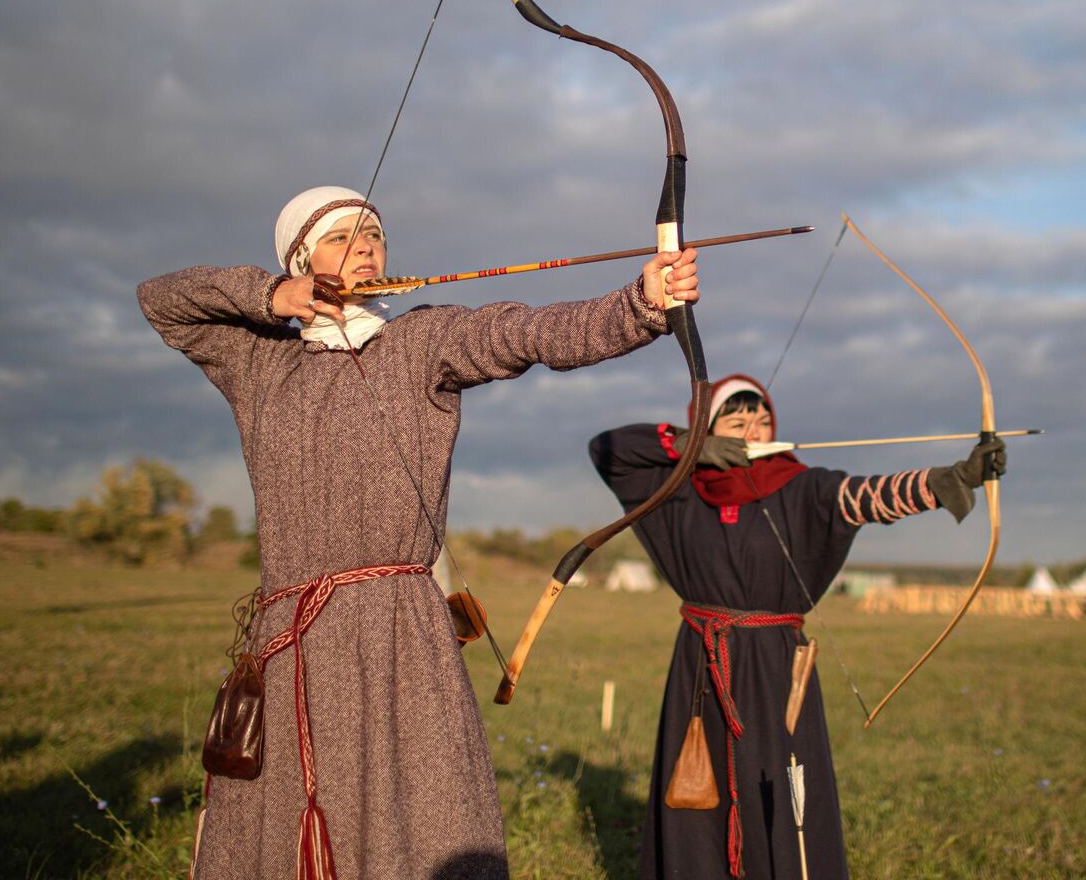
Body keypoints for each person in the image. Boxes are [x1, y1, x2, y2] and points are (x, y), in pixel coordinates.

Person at [139, 185, 700, 879]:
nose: (367, 245)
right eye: (343, 236)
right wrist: (271, 296)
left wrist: (640, 303)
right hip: (293, 637)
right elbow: (161, 299)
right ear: (300, 258)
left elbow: (526, 332)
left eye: (374, 233)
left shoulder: (421, 340)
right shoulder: (259, 363)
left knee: (414, 817)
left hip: (397, 624)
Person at [589, 374, 1004, 879]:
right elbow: (608, 448)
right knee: (698, 788)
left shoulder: (802, 486)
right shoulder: (674, 491)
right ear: (709, 429)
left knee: (783, 791)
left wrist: (953, 478)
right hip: (700, 665)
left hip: (775, 665)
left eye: (762, 419)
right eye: (737, 421)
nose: (755, 430)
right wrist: (687, 445)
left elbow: (867, 497)